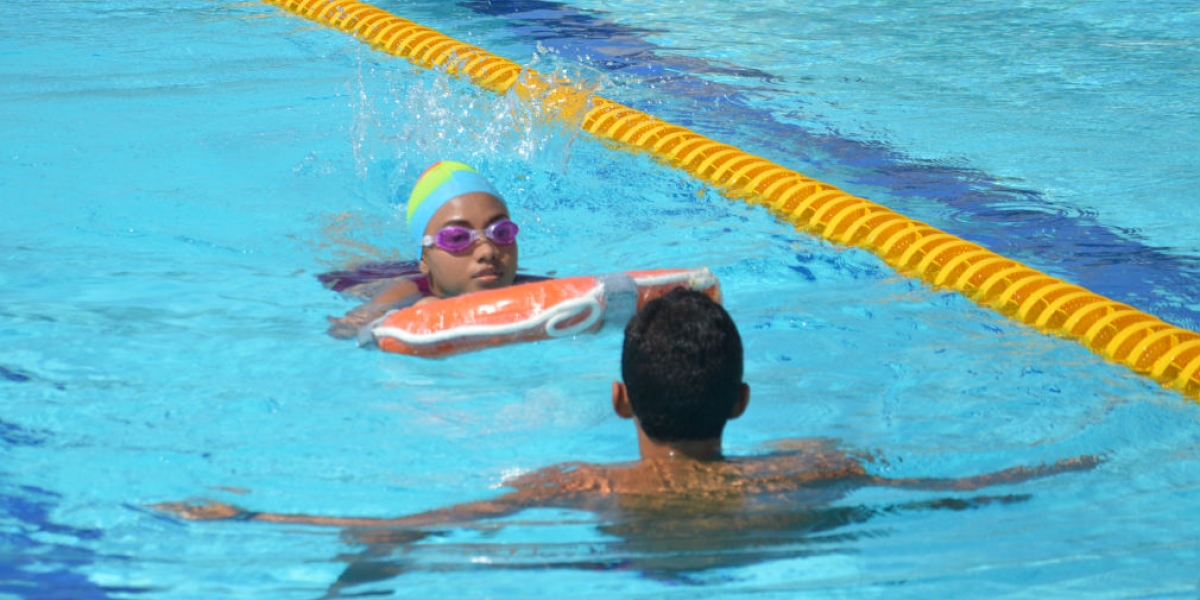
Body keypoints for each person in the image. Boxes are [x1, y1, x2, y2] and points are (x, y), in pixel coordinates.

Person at [158, 289, 1100, 532]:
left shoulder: (577, 486)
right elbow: (956, 489)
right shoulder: (814, 466)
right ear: (739, 401)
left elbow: (412, 527)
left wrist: (254, 515)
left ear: (618, 400)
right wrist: (1063, 466)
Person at [326, 161, 524, 339]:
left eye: (501, 232)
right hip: (365, 277)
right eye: (457, 238)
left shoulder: (524, 282)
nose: (487, 252)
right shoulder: (405, 291)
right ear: (424, 258)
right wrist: (411, 316)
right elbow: (344, 329)